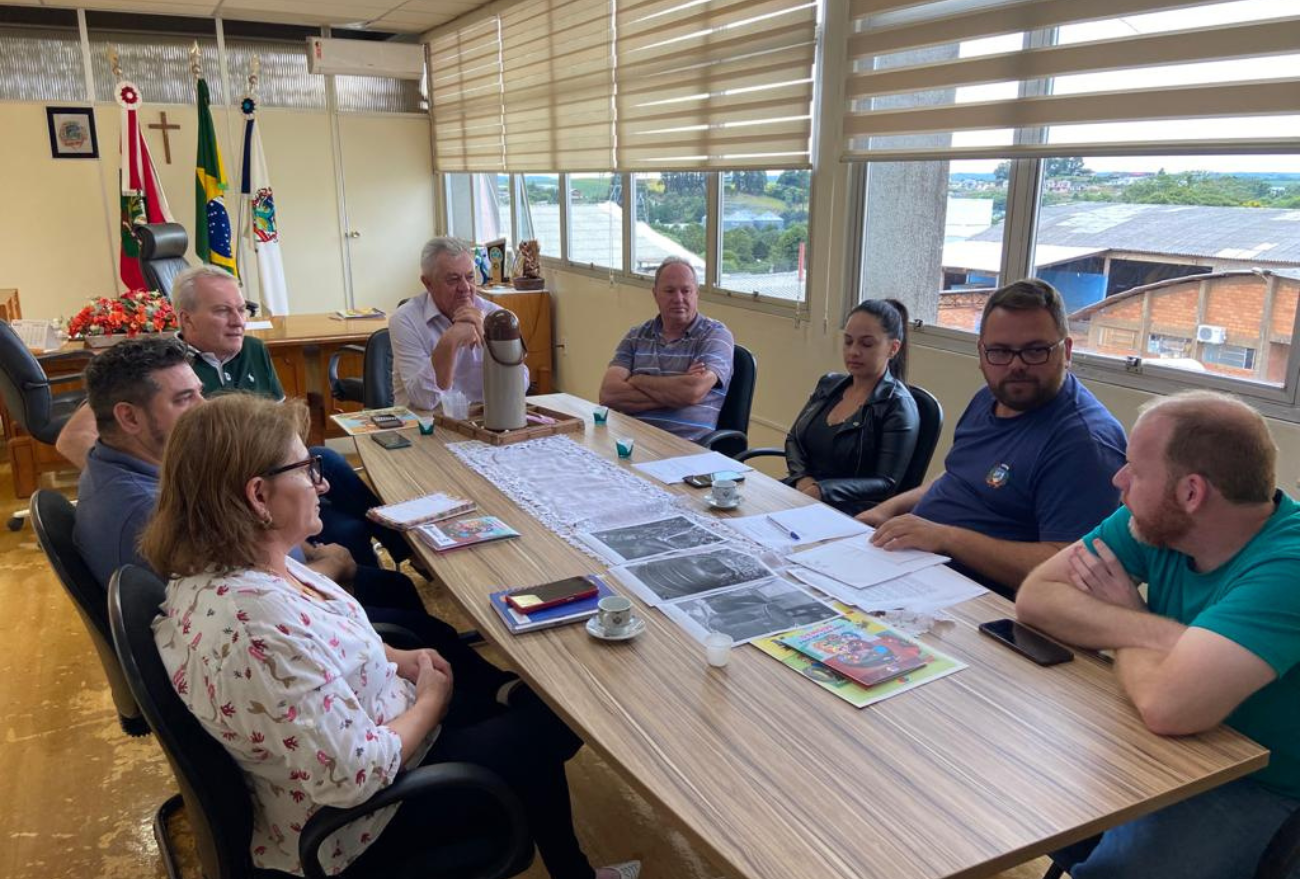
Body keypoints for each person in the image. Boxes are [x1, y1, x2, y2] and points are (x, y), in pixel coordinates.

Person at [143, 394, 640, 879]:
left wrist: (397, 657)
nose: (322, 485)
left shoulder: (240, 569)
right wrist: (432, 698)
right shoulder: (256, 623)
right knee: (549, 728)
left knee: (534, 714)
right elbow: (353, 777)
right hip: (362, 825)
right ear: (257, 496)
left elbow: (325, 637)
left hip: (375, 723)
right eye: (306, 469)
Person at [1016, 390, 1300, 879]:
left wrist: (1126, 611)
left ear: (1191, 493)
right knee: (1010, 791)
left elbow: (1169, 708)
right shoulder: (1154, 520)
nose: (1118, 480)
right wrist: (1164, 634)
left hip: (1261, 782)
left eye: (1135, 470)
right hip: (1158, 745)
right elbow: (1038, 597)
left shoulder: (1288, 566)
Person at [70, 337, 426, 618]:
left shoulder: (109, 463)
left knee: (392, 585)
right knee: (413, 615)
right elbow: (258, 603)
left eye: (200, 393)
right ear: (129, 418)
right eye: (184, 399)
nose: (204, 407)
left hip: (285, 593)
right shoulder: (153, 511)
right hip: (290, 627)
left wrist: (314, 554)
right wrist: (332, 564)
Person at [856, 279, 1127, 596]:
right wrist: (887, 511)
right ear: (981, 352)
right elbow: (958, 476)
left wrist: (946, 537)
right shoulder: (990, 398)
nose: (1016, 366)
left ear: (1066, 351)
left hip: (977, 601)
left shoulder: (1085, 443)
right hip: (913, 567)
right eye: (999, 351)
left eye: (1035, 350)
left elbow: (1069, 570)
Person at [779, 298, 919, 516]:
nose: (853, 351)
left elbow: (885, 482)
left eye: (866, 344)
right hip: (803, 495)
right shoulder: (829, 385)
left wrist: (821, 491)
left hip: (852, 513)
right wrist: (803, 480)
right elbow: (794, 438)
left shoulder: (898, 406)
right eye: (848, 341)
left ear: (893, 348)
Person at [599, 257, 735, 441]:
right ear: (655, 294)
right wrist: (676, 393)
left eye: (686, 291)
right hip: (630, 441)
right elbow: (609, 394)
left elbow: (692, 391)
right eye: (669, 291)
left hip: (685, 448)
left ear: (697, 293)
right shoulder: (636, 336)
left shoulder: (715, 335)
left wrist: (638, 379)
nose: (678, 299)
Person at [389, 237, 527, 411]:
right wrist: (450, 341)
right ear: (428, 283)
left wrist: (491, 341)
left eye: (470, 277)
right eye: (453, 280)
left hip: (483, 422)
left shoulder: (495, 316)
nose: (465, 288)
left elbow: (519, 386)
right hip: (424, 426)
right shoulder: (406, 320)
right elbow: (424, 400)